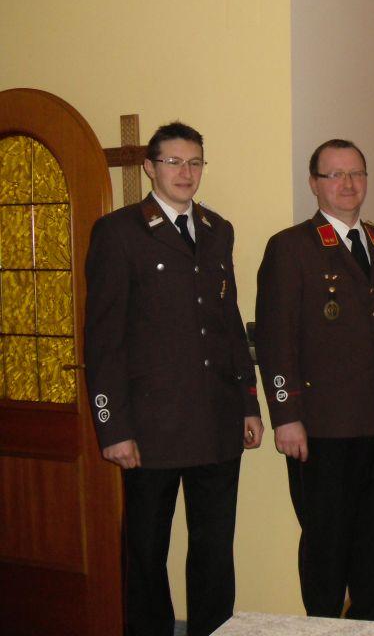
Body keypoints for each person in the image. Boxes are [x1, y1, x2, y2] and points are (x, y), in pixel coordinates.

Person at [85, 121, 263, 636]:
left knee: (214, 550)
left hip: (216, 422)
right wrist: (113, 427)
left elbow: (229, 323)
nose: (186, 172)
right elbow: (104, 340)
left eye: (194, 162)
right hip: (149, 430)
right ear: (150, 167)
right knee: (146, 553)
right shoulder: (119, 232)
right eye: (173, 162)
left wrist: (249, 404)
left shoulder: (217, 229)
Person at [255, 139, 374, 620]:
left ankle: (373, 626)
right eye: (334, 174)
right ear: (314, 183)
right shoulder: (291, 247)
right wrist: (286, 416)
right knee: (327, 547)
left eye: (356, 173)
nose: (347, 183)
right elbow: (276, 340)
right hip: (323, 430)